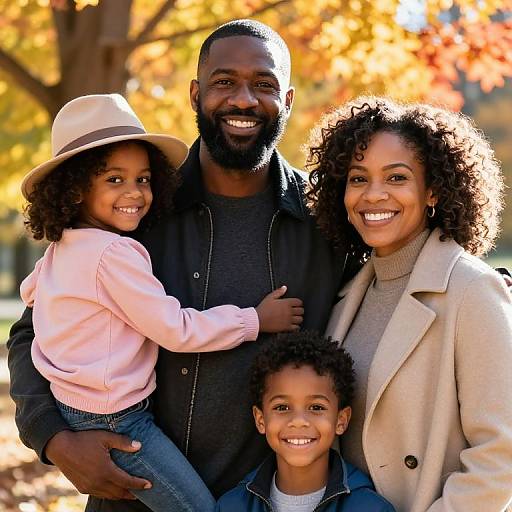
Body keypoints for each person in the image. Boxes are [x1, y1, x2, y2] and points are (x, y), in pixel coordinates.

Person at [7, 20, 348, 511]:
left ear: (288, 100)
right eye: (224, 81)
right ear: (195, 94)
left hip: (273, 498)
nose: (244, 100)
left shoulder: (327, 221)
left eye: (264, 84)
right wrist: (55, 439)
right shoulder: (132, 211)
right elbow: (32, 331)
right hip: (131, 494)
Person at [306, 96, 512, 511]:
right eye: (358, 178)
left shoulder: (472, 289)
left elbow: (501, 455)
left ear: (433, 190)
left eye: (396, 178)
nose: (373, 195)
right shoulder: (347, 295)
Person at [215, 331, 396, 512]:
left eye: (316, 407)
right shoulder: (232, 506)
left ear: (341, 420)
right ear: (260, 419)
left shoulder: (370, 508)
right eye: (282, 407)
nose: (299, 421)